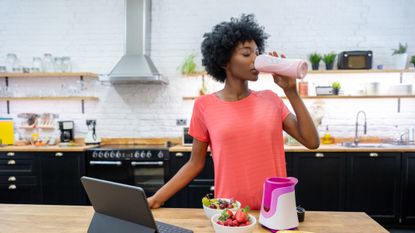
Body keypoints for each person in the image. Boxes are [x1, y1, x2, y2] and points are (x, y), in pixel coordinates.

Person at [148, 14, 319, 210]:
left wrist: (291, 92)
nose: (255, 59)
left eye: (257, 53)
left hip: (276, 210)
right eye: (247, 54)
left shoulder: (271, 99)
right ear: (224, 62)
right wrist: (156, 199)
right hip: (230, 214)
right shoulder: (204, 106)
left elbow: (311, 142)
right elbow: (194, 164)